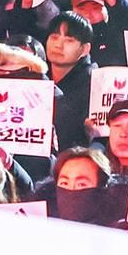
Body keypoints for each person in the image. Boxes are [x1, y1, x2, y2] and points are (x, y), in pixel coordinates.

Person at [44, 11, 95, 150]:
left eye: (69, 40)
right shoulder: (38, 74)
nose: (58, 45)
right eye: (54, 37)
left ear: (85, 49)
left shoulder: (95, 83)